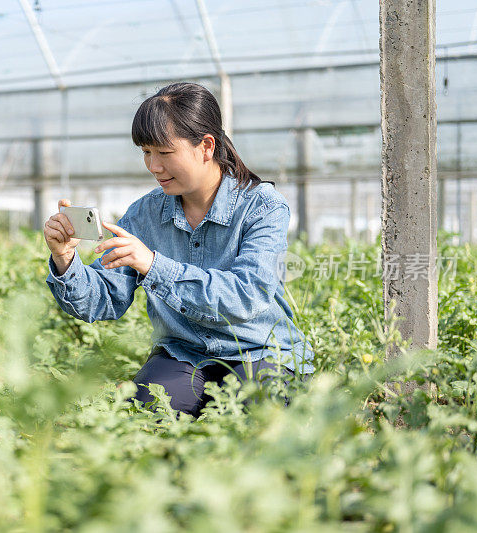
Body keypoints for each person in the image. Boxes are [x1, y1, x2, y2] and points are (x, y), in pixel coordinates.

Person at [43, 82, 315, 418]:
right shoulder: (144, 215)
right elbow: (104, 300)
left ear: (206, 146)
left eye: (164, 153)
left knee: (259, 419)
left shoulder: (262, 207)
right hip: (183, 352)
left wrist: (154, 265)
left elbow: (247, 296)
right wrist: (65, 258)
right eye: (146, 152)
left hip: (260, 350)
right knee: (149, 413)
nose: (154, 166)